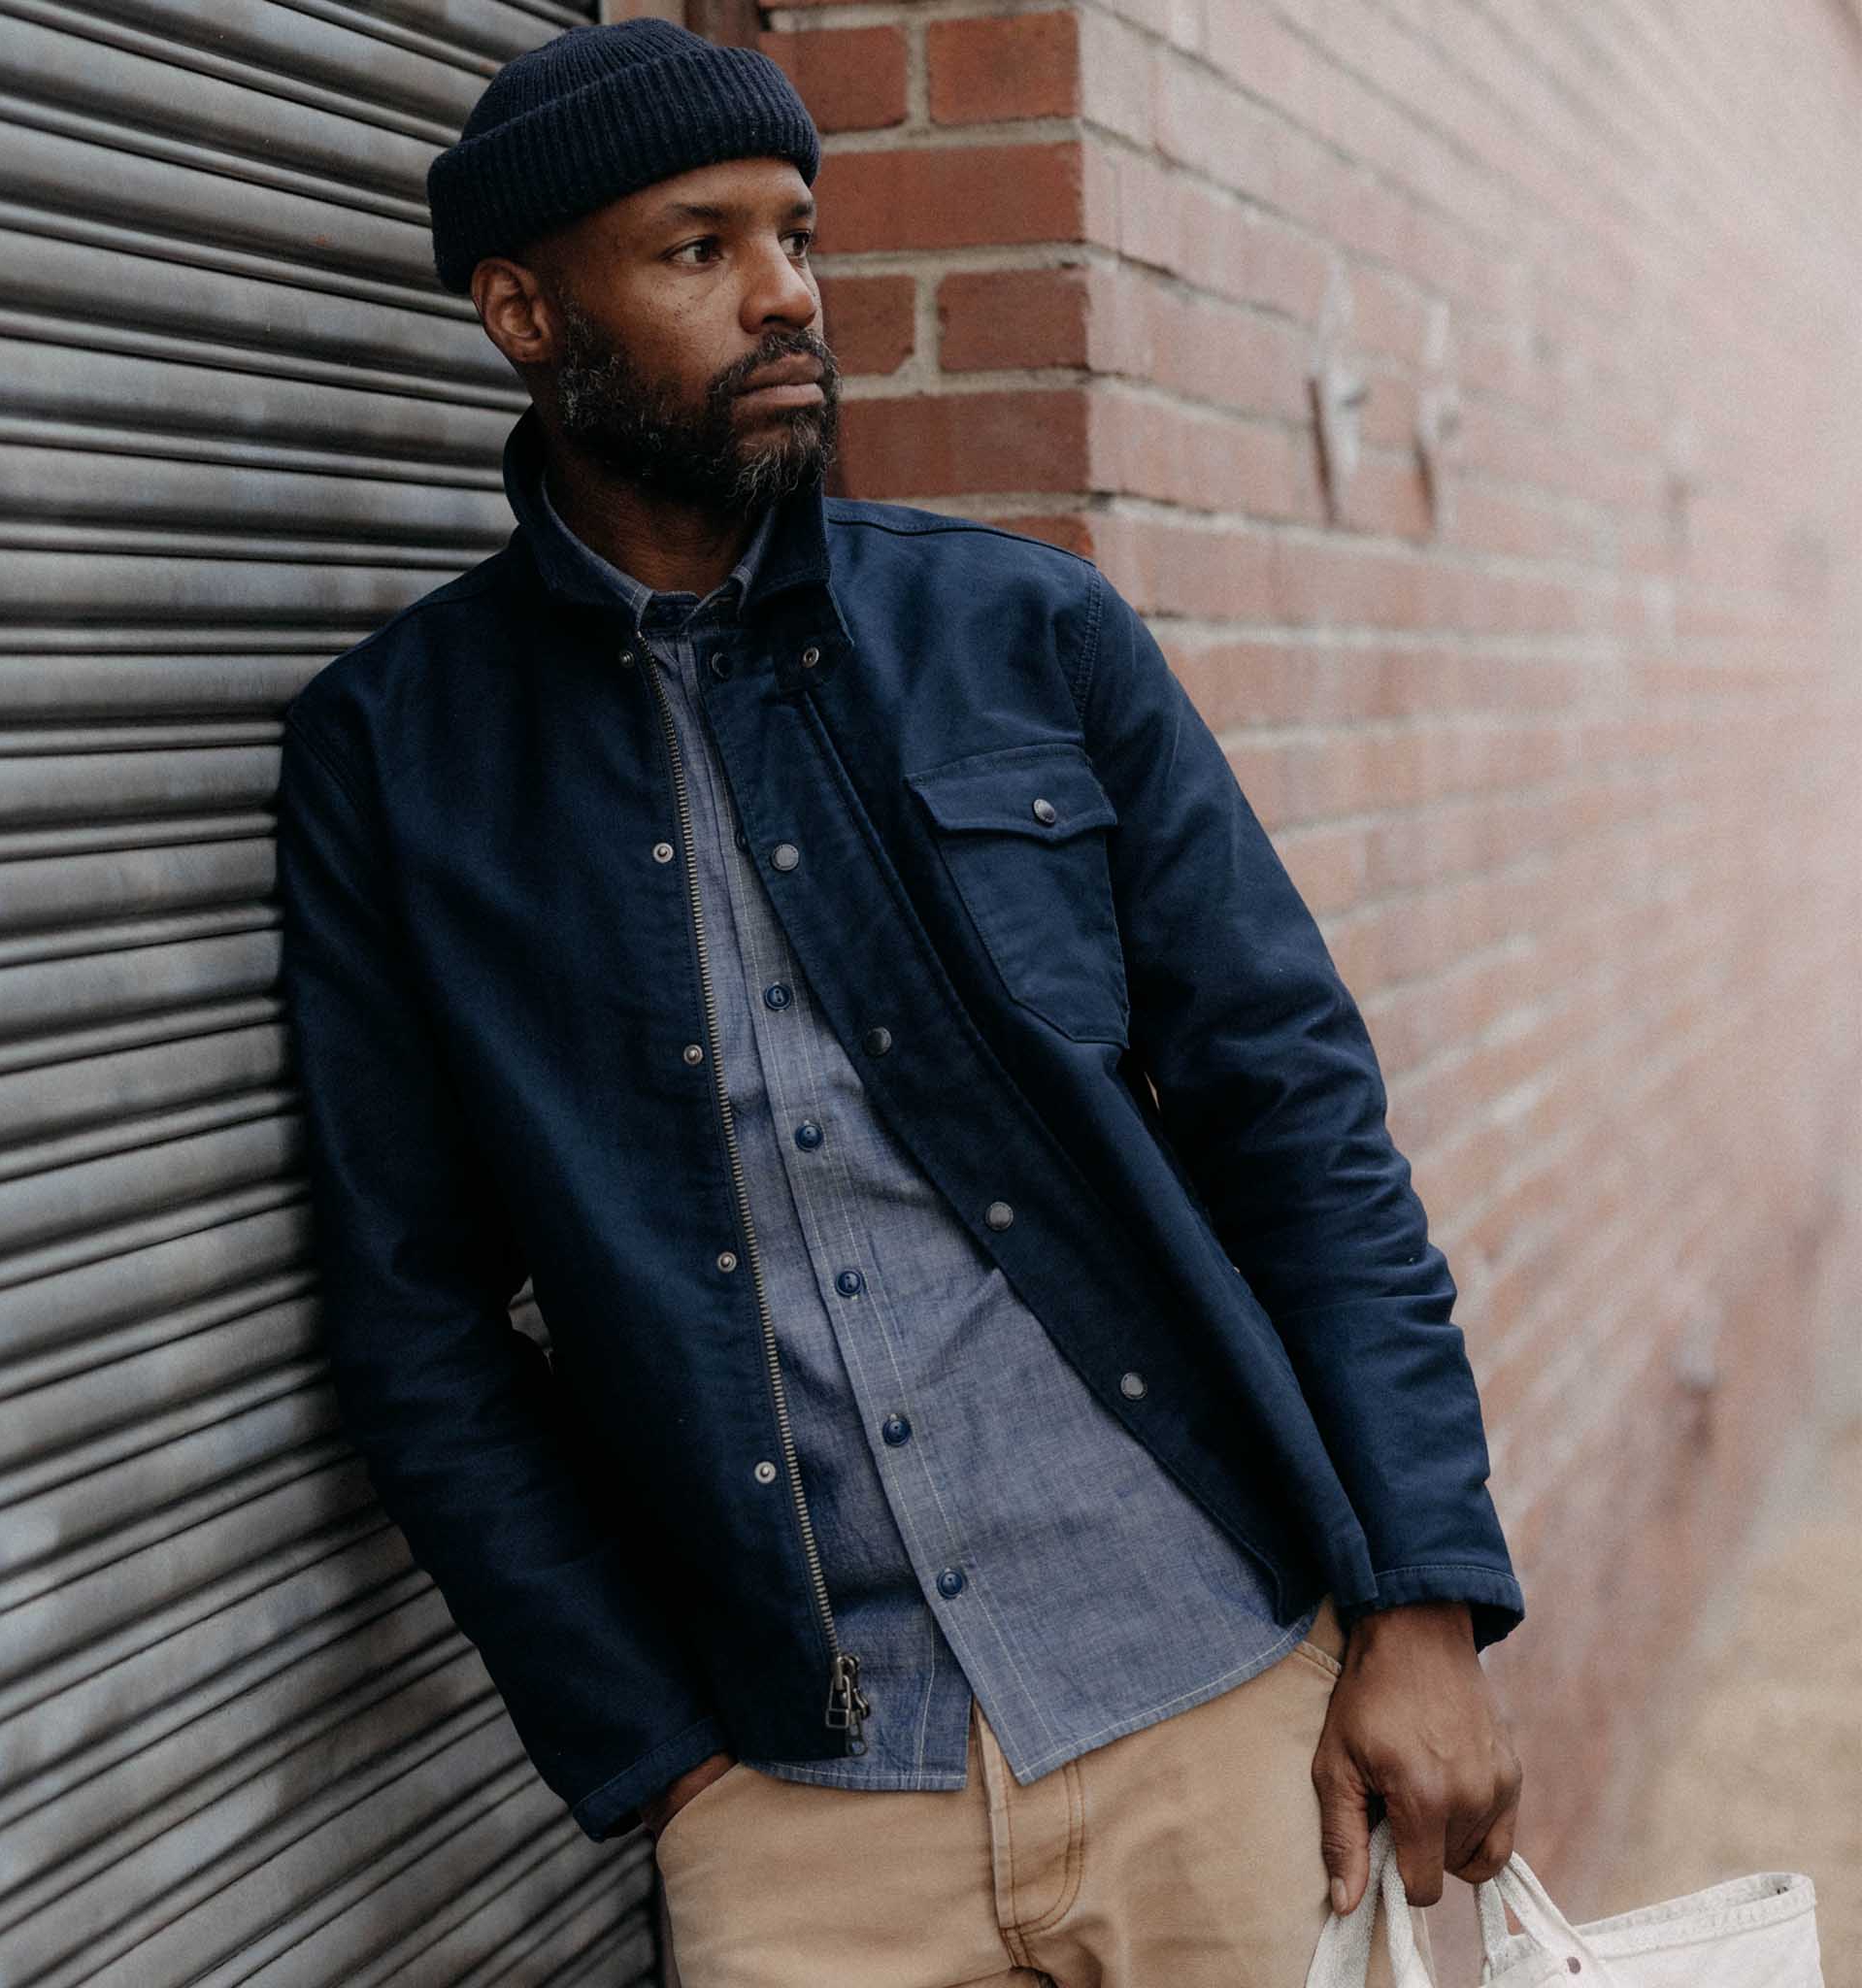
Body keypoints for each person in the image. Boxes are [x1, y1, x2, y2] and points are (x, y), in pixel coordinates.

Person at [272, 19, 1526, 1984]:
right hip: (801, 1815)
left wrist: (1423, 1600)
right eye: (697, 249)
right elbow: (415, 1319)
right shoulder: (397, 758)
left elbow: (1296, 1119)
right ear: (525, 310)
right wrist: (667, 1766)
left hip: (1209, 1716)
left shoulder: (1024, 636)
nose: (783, 292)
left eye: (796, 231)